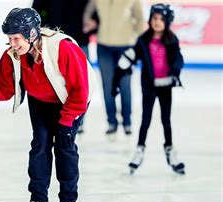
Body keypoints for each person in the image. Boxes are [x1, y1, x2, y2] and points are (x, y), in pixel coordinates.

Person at [0, 8, 96, 202]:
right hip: (40, 102)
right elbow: (2, 86)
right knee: (40, 145)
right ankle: (38, 198)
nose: (12, 43)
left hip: (70, 101)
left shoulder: (63, 48)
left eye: (16, 38)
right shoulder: (13, 55)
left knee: (64, 145)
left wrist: (67, 121)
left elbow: (80, 90)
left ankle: (68, 199)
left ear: (32, 34)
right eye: (9, 39)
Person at [111, 4, 185, 175]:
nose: (157, 22)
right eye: (154, 18)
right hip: (149, 87)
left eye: (161, 19)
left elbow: (178, 58)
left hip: (165, 85)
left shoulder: (172, 40)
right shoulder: (143, 40)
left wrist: (175, 71)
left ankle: (170, 149)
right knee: (146, 120)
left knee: (166, 120)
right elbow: (131, 56)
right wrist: (118, 75)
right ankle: (139, 149)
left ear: (167, 21)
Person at [32, 0, 98, 134]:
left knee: (82, 83)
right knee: (53, 82)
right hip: (53, 43)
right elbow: (37, 11)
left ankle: (77, 120)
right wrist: (44, 28)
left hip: (79, 40)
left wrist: (94, 22)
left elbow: (94, 8)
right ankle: (58, 118)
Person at [83, 0, 145, 135]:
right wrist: (88, 21)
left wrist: (138, 41)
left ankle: (127, 121)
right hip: (104, 46)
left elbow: (140, 19)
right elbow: (88, 11)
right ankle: (111, 121)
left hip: (126, 46)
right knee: (107, 86)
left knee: (124, 85)